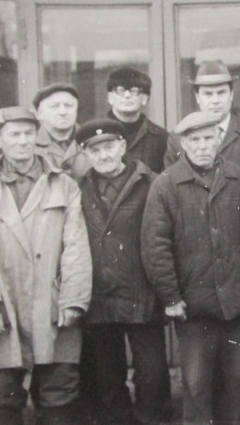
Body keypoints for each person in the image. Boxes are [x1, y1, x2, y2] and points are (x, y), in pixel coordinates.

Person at [0, 106, 92, 425]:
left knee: (60, 392)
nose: (23, 141)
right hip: (2, 306)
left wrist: (73, 299)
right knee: (1, 395)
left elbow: (76, 248)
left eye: (29, 134)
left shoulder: (63, 185)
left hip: (53, 304)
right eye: (14, 134)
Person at [142, 111, 240, 423]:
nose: (202, 146)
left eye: (208, 138)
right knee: (196, 383)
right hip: (193, 306)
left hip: (235, 303)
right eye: (195, 140)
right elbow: (155, 246)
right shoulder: (166, 184)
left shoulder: (237, 178)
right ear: (183, 144)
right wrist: (171, 297)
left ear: (219, 139)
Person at [76, 119, 170, 424]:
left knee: (152, 374)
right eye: (95, 150)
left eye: (109, 147)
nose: (103, 155)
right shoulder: (78, 188)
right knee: (107, 377)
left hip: (142, 292)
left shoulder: (152, 182)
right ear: (85, 154)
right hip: (100, 296)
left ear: (123, 146)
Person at [165, 59, 240, 178]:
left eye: (221, 93)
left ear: (231, 95)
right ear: (197, 98)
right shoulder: (177, 139)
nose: (215, 101)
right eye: (208, 94)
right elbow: (171, 182)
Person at [105, 66, 168, 173]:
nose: (127, 95)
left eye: (134, 91)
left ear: (145, 98)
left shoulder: (161, 137)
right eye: (121, 90)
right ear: (110, 97)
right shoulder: (94, 134)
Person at [33, 83, 90, 181]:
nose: (63, 112)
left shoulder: (90, 140)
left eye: (68, 106)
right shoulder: (30, 145)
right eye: (54, 106)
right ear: (39, 114)